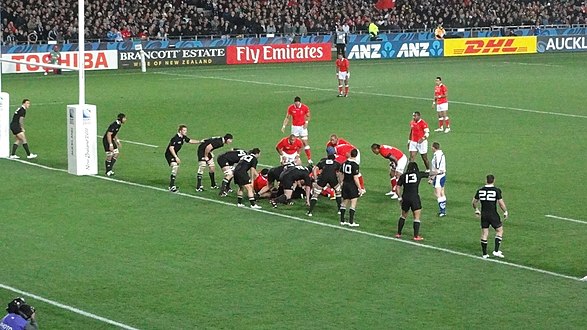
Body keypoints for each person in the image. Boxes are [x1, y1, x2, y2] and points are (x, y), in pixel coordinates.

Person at [472, 174, 509, 259]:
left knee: (485, 233)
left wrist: (476, 209)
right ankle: (496, 251)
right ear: (494, 180)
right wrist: (505, 211)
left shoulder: (480, 190)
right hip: (493, 214)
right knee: (499, 230)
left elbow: (474, 202)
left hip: (484, 215)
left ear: (486, 180)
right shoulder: (496, 190)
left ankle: (484, 254)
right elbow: (501, 203)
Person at [396, 162, 428, 240]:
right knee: (416, 217)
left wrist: (399, 197)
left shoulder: (403, 176)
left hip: (405, 197)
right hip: (414, 197)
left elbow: (397, 187)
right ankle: (416, 236)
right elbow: (429, 174)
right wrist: (439, 172)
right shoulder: (418, 174)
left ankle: (399, 233)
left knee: (403, 216)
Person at [165, 125, 200, 193]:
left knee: (176, 168)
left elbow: (190, 141)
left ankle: (172, 184)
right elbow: (171, 148)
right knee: (175, 166)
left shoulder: (183, 137)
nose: (185, 132)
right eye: (184, 130)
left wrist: (199, 141)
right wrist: (176, 157)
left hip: (174, 154)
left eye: (186, 130)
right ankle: (171, 186)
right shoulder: (175, 138)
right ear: (180, 131)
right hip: (169, 154)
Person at [307, 152, 342, 217]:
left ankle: (310, 212)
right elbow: (340, 173)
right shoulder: (336, 163)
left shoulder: (322, 162)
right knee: (338, 192)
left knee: (316, 194)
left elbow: (314, 169)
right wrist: (340, 181)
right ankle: (339, 210)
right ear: (334, 159)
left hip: (323, 178)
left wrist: (315, 178)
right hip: (332, 178)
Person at [281, 96, 312, 164]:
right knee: (296, 143)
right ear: (294, 102)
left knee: (305, 142)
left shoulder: (304, 107)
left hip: (302, 127)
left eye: (298, 103)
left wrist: (306, 123)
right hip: (295, 127)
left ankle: (309, 159)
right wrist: (284, 126)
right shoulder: (291, 108)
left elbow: (308, 115)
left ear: (300, 102)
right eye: (296, 103)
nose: (297, 104)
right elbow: (287, 117)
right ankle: (297, 157)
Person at [338, 148, 361, 227]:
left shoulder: (344, 163)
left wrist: (341, 182)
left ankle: (342, 220)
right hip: (352, 185)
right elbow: (355, 178)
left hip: (345, 184)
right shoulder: (355, 165)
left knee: (344, 202)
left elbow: (340, 173)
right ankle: (351, 222)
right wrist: (360, 188)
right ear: (356, 155)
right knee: (353, 202)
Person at [429, 142, 447, 216]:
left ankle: (442, 211)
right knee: (442, 192)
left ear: (433, 148)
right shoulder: (441, 154)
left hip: (438, 176)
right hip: (442, 175)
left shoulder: (437, 156)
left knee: (437, 193)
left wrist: (432, 178)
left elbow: (437, 168)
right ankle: (443, 209)